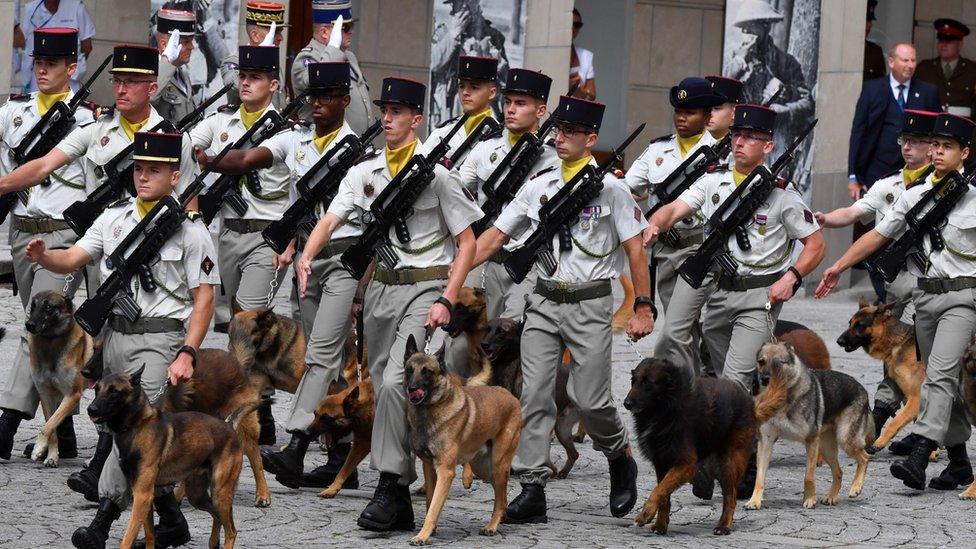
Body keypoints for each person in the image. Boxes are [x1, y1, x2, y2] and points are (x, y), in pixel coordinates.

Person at [0, 43, 199, 502]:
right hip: (93, 244)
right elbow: (45, 165)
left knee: (118, 353)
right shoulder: (96, 129)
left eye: (131, 82)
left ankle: (110, 463)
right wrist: (5, 183)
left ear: (153, 87)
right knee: (49, 325)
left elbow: (189, 206)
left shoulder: (175, 141)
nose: (121, 88)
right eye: (118, 80)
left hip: (146, 260)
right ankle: (62, 438)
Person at [299, 76, 482, 532]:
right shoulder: (365, 172)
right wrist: (305, 254)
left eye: (398, 111)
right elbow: (333, 216)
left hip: (425, 285)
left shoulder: (438, 176)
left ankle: (390, 484)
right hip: (380, 286)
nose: (388, 117)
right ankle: (399, 495)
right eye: (384, 110)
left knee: (401, 382)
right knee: (381, 385)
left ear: (417, 119)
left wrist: (446, 297)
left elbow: (467, 242)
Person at [25, 130, 218, 549]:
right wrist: (45, 257)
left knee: (129, 430)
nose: (143, 177)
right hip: (115, 340)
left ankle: (102, 524)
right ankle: (171, 520)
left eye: (155, 170)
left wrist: (187, 352)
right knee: (131, 435)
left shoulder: (191, 232)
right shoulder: (114, 217)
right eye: (139, 169)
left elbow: (204, 299)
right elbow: (74, 257)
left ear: (175, 175)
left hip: (160, 341)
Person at [474, 94, 652, 524]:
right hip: (544, 300)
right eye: (558, 129)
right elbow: (496, 235)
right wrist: (451, 275)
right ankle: (532, 485)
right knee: (534, 394)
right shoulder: (539, 185)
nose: (561, 137)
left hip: (589, 303)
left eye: (571, 132)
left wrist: (643, 306)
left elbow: (635, 251)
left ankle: (617, 454)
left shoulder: (611, 190)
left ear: (591, 138)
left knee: (588, 399)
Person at [647, 104, 825, 496]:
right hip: (719, 292)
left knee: (735, 379)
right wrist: (655, 225)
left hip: (759, 296)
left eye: (750, 138)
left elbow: (815, 244)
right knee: (717, 376)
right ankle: (709, 431)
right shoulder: (714, 182)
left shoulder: (783, 196)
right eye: (737, 136)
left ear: (768, 145)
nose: (740, 143)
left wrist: (792, 278)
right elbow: (677, 207)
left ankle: (732, 463)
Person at [207, 61, 366, 490]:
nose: (317, 104)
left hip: (344, 260)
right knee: (326, 360)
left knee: (320, 355)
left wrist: (363, 285)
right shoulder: (295, 140)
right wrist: (201, 158)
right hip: (308, 264)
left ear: (345, 101)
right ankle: (339, 453)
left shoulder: (356, 152)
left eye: (328, 97)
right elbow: (244, 158)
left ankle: (296, 443)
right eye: (313, 97)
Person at [817, 113, 976, 494]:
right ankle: (959, 464)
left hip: (963, 298)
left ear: (964, 153)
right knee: (946, 384)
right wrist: (839, 265)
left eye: (947, 147)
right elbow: (877, 235)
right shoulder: (913, 194)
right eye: (935, 145)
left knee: (937, 374)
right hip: (925, 297)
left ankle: (920, 453)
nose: (938, 152)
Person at [0, 26, 94, 463]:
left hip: (60, 233)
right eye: (38, 63)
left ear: (71, 68)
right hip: (20, 228)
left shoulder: (88, 120)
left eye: (51, 65)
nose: (42, 71)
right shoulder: (13, 112)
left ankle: (8, 420)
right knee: (44, 328)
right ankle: (66, 428)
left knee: (34, 324)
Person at [816, 109, 935, 437]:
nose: (907, 147)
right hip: (896, 283)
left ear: (933, 146)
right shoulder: (889, 186)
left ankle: (886, 421)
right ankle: (914, 428)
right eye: (903, 140)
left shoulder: (944, 186)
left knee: (910, 355)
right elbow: (856, 213)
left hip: (928, 282)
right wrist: (826, 219)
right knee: (897, 353)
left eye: (916, 141)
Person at [625, 77, 724, 378]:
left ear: (707, 116)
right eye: (678, 111)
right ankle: (696, 389)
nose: (682, 117)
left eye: (691, 112)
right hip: (667, 252)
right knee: (682, 329)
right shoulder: (658, 150)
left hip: (703, 250)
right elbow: (629, 187)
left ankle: (711, 386)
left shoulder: (723, 153)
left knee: (690, 329)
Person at [190, 44, 291, 320]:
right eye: (243, 76)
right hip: (227, 236)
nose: (245, 83)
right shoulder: (220, 121)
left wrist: (291, 240)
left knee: (247, 318)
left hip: (267, 237)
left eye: (255, 77)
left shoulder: (288, 132)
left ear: (273, 85)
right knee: (232, 323)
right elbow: (185, 149)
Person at [457, 67, 557, 320]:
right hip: (486, 256)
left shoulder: (554, 157)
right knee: (461, 338)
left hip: (529, 263)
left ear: (541, 111)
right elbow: (456, 191)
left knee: (511, 336)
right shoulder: (486, 147)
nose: (510, 109)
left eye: (521, 103)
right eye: (508, 102)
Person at [849, 42, 941, 196]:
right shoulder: (872, 89)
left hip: (917, 171)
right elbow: (858, 131)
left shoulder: (928, 91)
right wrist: (853, 176)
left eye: (913, 60)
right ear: (891, 62)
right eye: (905, 60)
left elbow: (937, 132)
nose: (910, 65)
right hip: (877, 169)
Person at [293, 0, 372, 134]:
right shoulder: (307, 58)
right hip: (321, 146)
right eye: (346, 27)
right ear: (324, 32)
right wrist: (333, 47)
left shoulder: (349, 56)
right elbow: (320, 81)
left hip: (353, 145)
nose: (351, 31)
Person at [429, 0, 508, 124]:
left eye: (466, 3)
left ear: (475, 5)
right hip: (449, 109)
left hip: (483, 113)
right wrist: (452, 36)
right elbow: (433, 64)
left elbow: (504, 84)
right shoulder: (442, 32)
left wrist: (490, 56)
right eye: (456, 3)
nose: (460, 8)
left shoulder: (493, 36)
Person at [425, 55, 500, 161]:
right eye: (461, 86)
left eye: (474, 87)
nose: (465, 92)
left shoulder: (500, 137)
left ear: (492, 93)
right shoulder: (442, 133)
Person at [220, 1, 288, 110]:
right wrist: (260, 55)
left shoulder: (273, 64)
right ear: (255, 35)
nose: (281, 38)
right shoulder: (233, 62)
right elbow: (236, 85)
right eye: (275, 32)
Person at [15, 0, 95, 92]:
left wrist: (72, 67)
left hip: (67, 78)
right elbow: (23, 42)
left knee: (66, 104)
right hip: (38, 79)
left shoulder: (76, 7)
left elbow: (87, 46)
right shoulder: (31, 8)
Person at [914, 19, 976, 117]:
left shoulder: (972, 70)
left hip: (962, 127)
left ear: (960, 44)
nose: (943, 45)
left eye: (948, 40)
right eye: (940, 40)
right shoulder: (924, 68)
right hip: (930, 125)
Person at [151, 8, 198, 126]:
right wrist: (167, 59)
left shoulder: (183, 75)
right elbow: (149, 98)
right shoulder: (150, 71)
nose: (192, 47)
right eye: (186, 42)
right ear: (164, 44)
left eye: (191, 41)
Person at [569, 8, 596, 101]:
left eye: (577, 25)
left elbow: (592, 95)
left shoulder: (585, 55)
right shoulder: (551, 53)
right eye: (570, 23)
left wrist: (579, 90)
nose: (573, 28)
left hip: (574, 111)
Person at [864, 0, 886, 81]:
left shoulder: (875, 51)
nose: (869, 25)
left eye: (870, 21)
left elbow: (881, 83)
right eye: (866, 20)